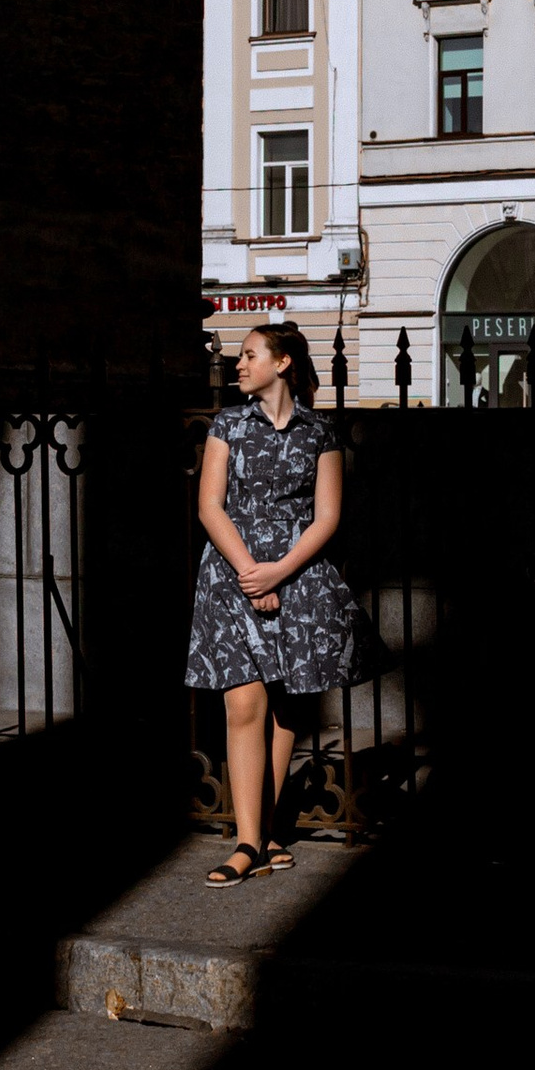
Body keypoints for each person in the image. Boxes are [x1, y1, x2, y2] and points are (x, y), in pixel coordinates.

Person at [187, 323, 354, 884]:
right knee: (243, 706)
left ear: (281, 363)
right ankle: (247, 840)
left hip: (298, 577)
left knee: (287, 707)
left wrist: (281, 570)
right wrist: (250, 574)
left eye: (248, 354)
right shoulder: (228, 425)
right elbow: (211, 506)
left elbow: (327, 515)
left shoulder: (319, 432)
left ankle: (273, 830)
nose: (238, 364)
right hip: (232, 575)